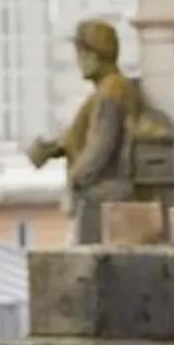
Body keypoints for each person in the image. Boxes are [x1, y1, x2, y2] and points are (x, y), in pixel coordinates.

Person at [26, 18, 148, 240]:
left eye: (81, 54)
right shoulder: (106, 90)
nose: (79, 61)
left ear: (95, 55)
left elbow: (101, 146)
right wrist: (53, 148)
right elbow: (81, 133)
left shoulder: (112, 91)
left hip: (109, 194)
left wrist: (76, 179)